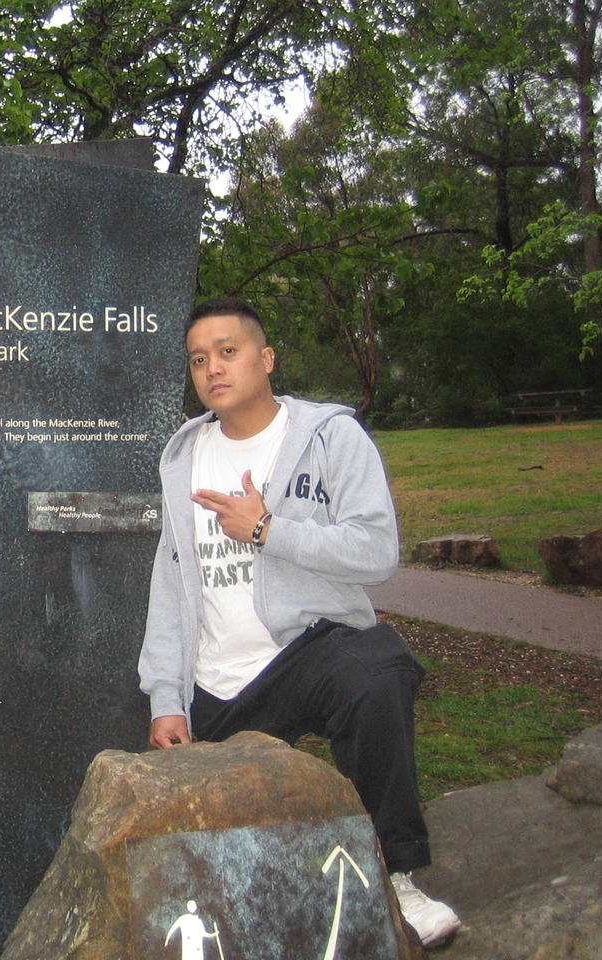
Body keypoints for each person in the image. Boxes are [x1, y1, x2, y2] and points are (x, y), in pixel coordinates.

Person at [137, 297, 460, 948]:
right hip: (218, 681)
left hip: (308, 651)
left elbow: (377, 551)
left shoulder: (330, 436)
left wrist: (266, 528)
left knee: (378, 669)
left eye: (228, 351)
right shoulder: (183, 457)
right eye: (198, 359)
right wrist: (166, 698)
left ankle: (394, 877)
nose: (212, 368)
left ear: (266, 359)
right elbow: (171, 581)